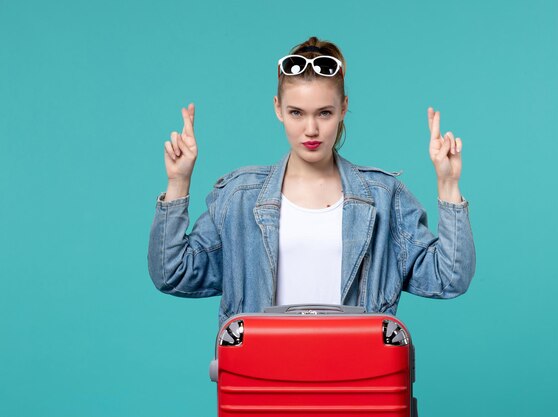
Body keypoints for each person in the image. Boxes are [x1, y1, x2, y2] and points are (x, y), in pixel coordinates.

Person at [148, 36, 476, 327]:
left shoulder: (383, 198)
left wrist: (448, 185)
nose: (311, 130)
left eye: (324, 113)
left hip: (355, 384)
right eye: (296, 113)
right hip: (264, 383)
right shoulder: (240, 198)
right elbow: (173, 273)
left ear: (343, 108)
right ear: (278, 108)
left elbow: (448, 278)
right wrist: (178, 182)